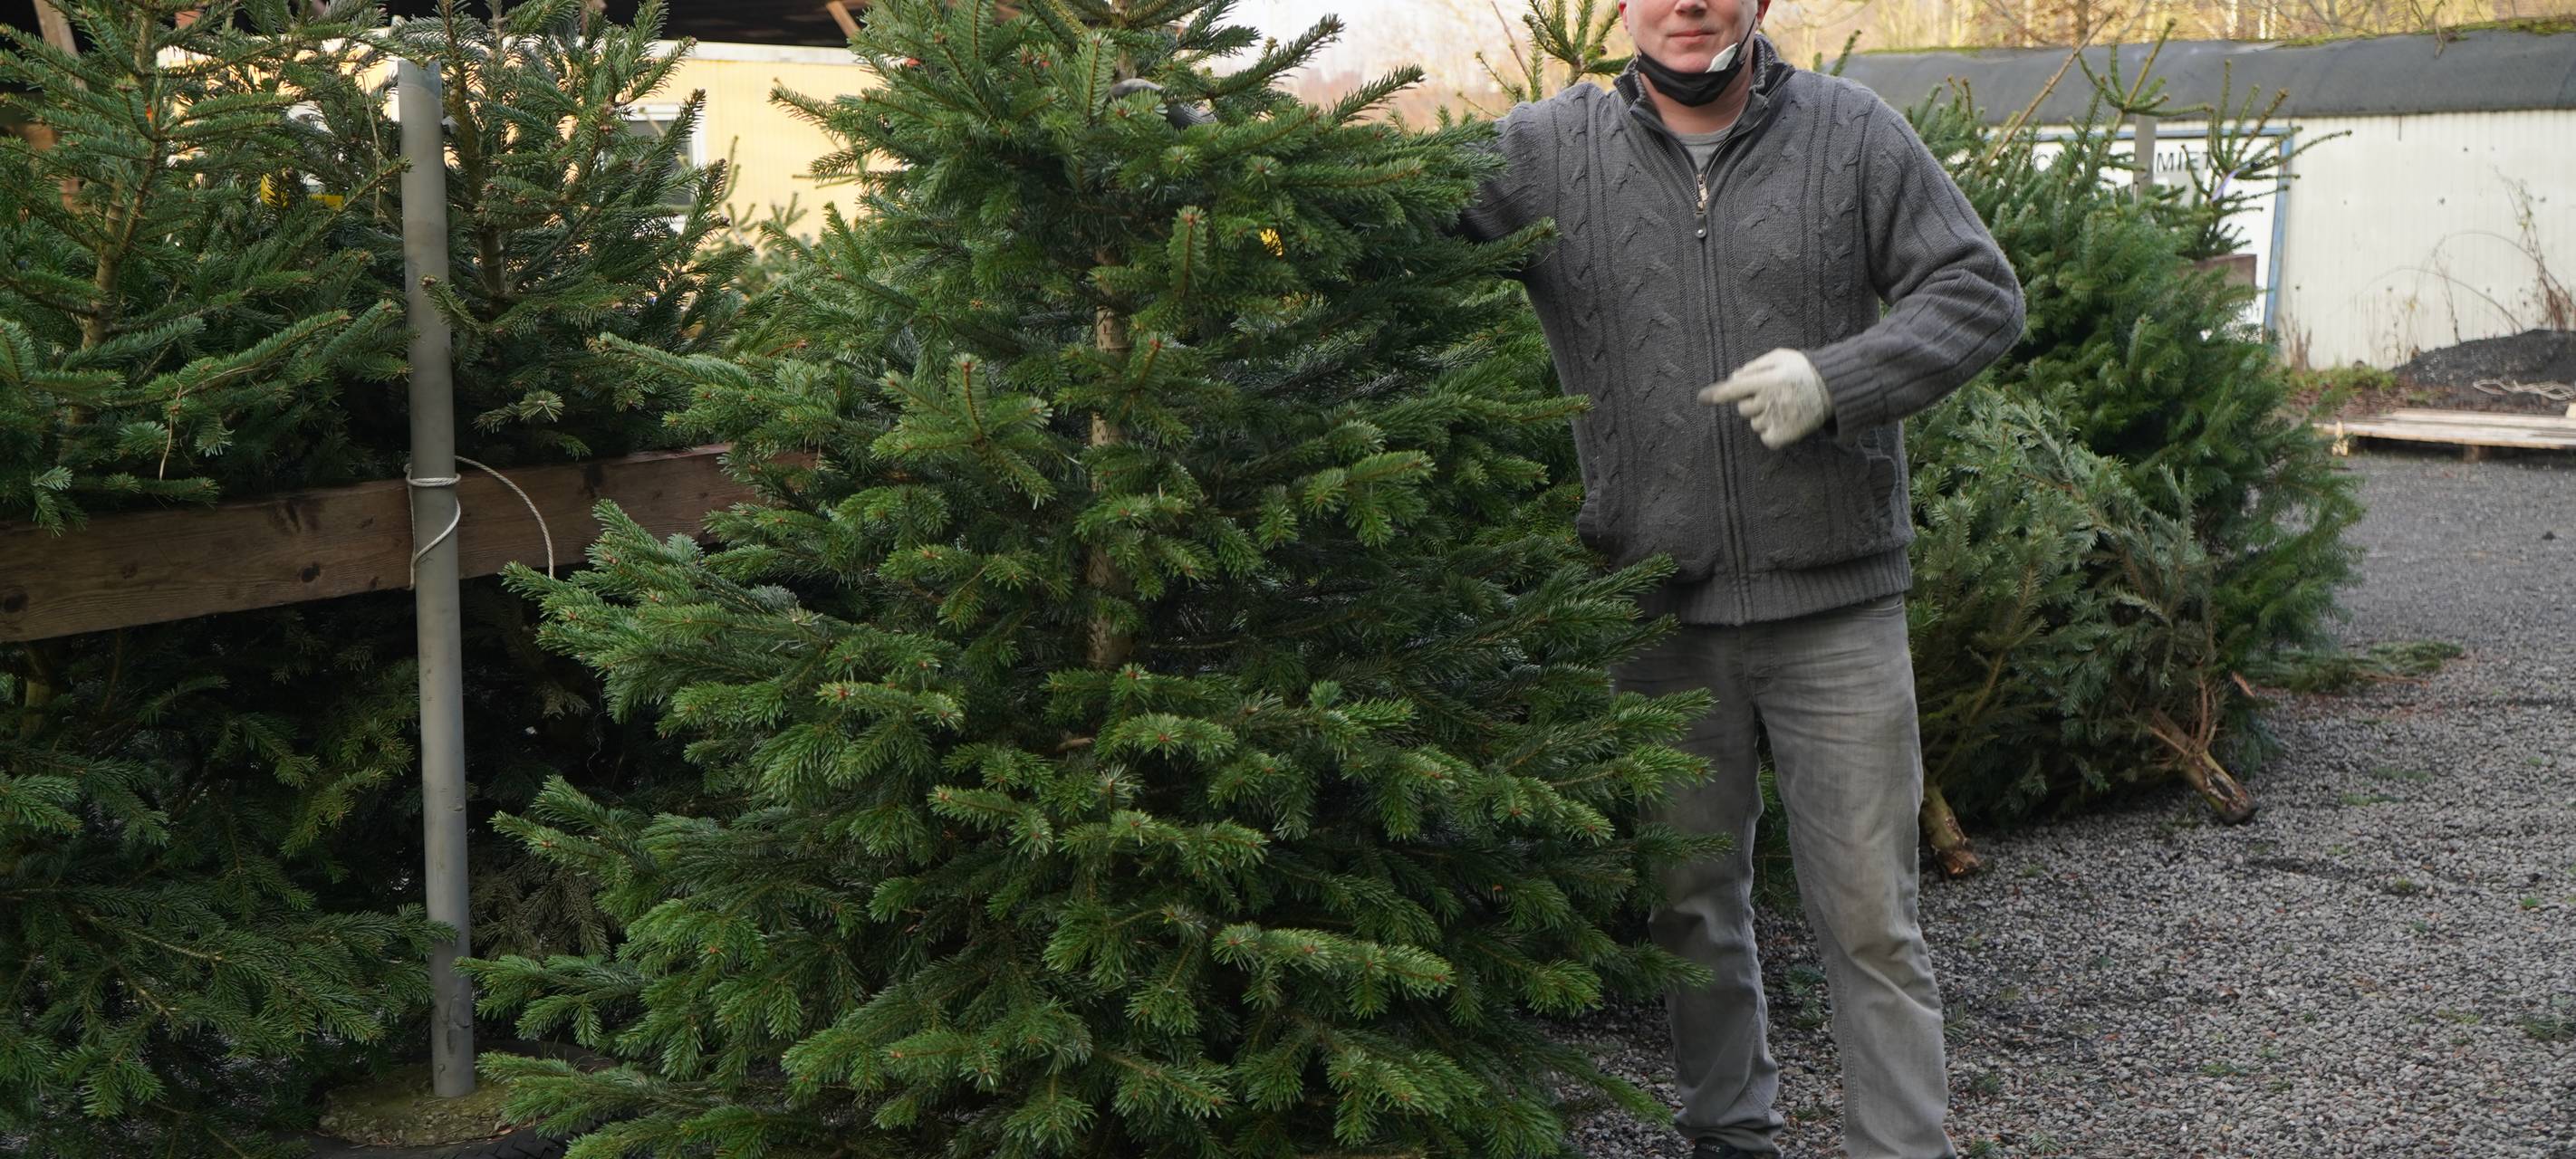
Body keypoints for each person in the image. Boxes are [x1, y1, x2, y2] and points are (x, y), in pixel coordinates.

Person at [1456, 2, 2026, 1156]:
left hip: (1840, 607)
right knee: (1692, 908)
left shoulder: (1854, 133)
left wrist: (1838, 377)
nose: (1688, 3)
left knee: (1872, 920)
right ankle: (1731, 1133)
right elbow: (1364, 204)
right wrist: (1195, 124)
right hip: (1657, 608)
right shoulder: (1540, 152)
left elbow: (1980, 291)